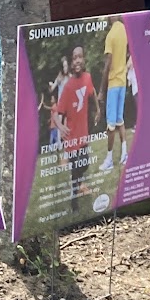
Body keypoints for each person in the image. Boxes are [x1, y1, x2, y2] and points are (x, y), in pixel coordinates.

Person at [51, 43, 99, 209]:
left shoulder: (87, 77)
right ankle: (74, 200)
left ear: (84, 59)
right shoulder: (68, 86)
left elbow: (92, 93)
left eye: (80, 57)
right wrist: (60, 126)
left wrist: (98, 109)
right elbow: (56, 112)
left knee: (84, 164)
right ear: (71, 63)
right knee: (75, 168)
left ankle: (77, 185)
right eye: (74, 58)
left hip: (83, 134)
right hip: (71, 137)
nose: (77, 60)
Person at [98, 17, 131, 175]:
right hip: (122, 81)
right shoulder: (124, 30)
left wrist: (101, 90)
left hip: (113, 84)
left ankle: (109, 159)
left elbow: (108, 64)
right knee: (119, 119)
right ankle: (124, 154)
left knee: (111, 125)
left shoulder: (111, 35)